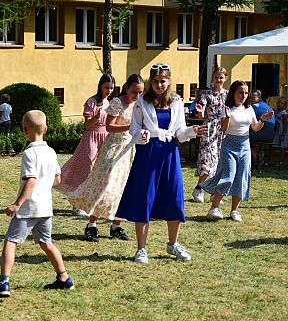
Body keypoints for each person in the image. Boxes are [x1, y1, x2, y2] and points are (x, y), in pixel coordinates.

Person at [116, 64, 207, 263]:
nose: (158, 85)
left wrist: (192, 131)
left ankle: (173, 244)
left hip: (169, 154)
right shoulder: (141, 102)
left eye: (162, 81)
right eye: (155, 81)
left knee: (174, 197)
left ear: (169, 81)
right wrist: (142, 134)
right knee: (144, 197)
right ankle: (141, 248)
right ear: (150, 82)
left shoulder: (176, 102)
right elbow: (134, 129)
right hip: (148, 153)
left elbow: (179, 133)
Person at [0, 110, 74, 299]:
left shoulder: (29, 153)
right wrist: (43, 185)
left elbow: (31, 180)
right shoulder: (51, 152)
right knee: (46, 243)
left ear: (24, 131)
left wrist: (17, 204)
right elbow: (57, 180)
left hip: (28, 208)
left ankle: (3, 282)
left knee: (10, 242)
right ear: (46, 129)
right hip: (45, 207)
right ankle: (64, 278)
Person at [67, 74, 144, 242]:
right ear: (126, 88)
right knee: (104, 185)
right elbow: (110, 126)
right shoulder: (117, 103)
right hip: (113, 148)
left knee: (123, 187)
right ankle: (91, 225)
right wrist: (130, 128)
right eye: (134, 92)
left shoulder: (138, 104)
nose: (137, 96)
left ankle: (116, 226)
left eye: (140, 92)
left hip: (129, 150)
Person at [201, 81, 274, 222]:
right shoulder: (227, 108)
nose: (244, 96)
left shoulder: (249, 109)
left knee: (242, 177)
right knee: (228, 175)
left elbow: (255, 127)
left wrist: (262, 120)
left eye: (246, 93)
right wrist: (227, 117)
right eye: (241, 92)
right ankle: (214, 208)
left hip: (245, 145)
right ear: (233, 93)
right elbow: (223, 128)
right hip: (229, 144)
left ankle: (234, 210)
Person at [54, 73, 115, 217]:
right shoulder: (92, 102)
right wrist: (95, 117)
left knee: (99, 171)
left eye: (112, 88)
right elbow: (87, 125)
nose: (109, 91)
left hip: (105, 138)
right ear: (100, 86)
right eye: (107, 87)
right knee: (86, 169)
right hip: (92, 137)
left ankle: (91, 202)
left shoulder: (111, 103)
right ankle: (77, 204)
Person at [192, 67, 228, 203]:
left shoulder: (228, 94)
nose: (218, 80)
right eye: (216, 77)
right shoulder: (206, 93)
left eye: (221, 77)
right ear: (213, 78)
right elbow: (201, 113)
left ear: (225, 78)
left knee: (219, 161)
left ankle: (214, 192)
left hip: (222, 128)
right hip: (209, 129)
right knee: (207, 160)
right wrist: (200, 111)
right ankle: (198, 188)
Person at [249, 90, 275, 167]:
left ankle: (255, 160)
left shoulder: (255, 106)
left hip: (262, 133)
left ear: (259, 97)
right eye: (251, 97)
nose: (251, 99)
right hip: (271, 136)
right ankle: (258, 156)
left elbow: (251, 121)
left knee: (245, 139)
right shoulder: (266, 105)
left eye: (254, 97)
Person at [270, 96, 288, 166]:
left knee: (282, 147)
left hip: (282, 132)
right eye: (278, 102)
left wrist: (283, 135)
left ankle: (281, 162)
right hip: (276, 131)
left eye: (282, 103)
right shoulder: (276, 110)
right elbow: (271, 108)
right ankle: (271, 161)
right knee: (273, 146)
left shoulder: (284, 114)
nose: (279, 104)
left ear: (285, 105)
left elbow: (286, 125)